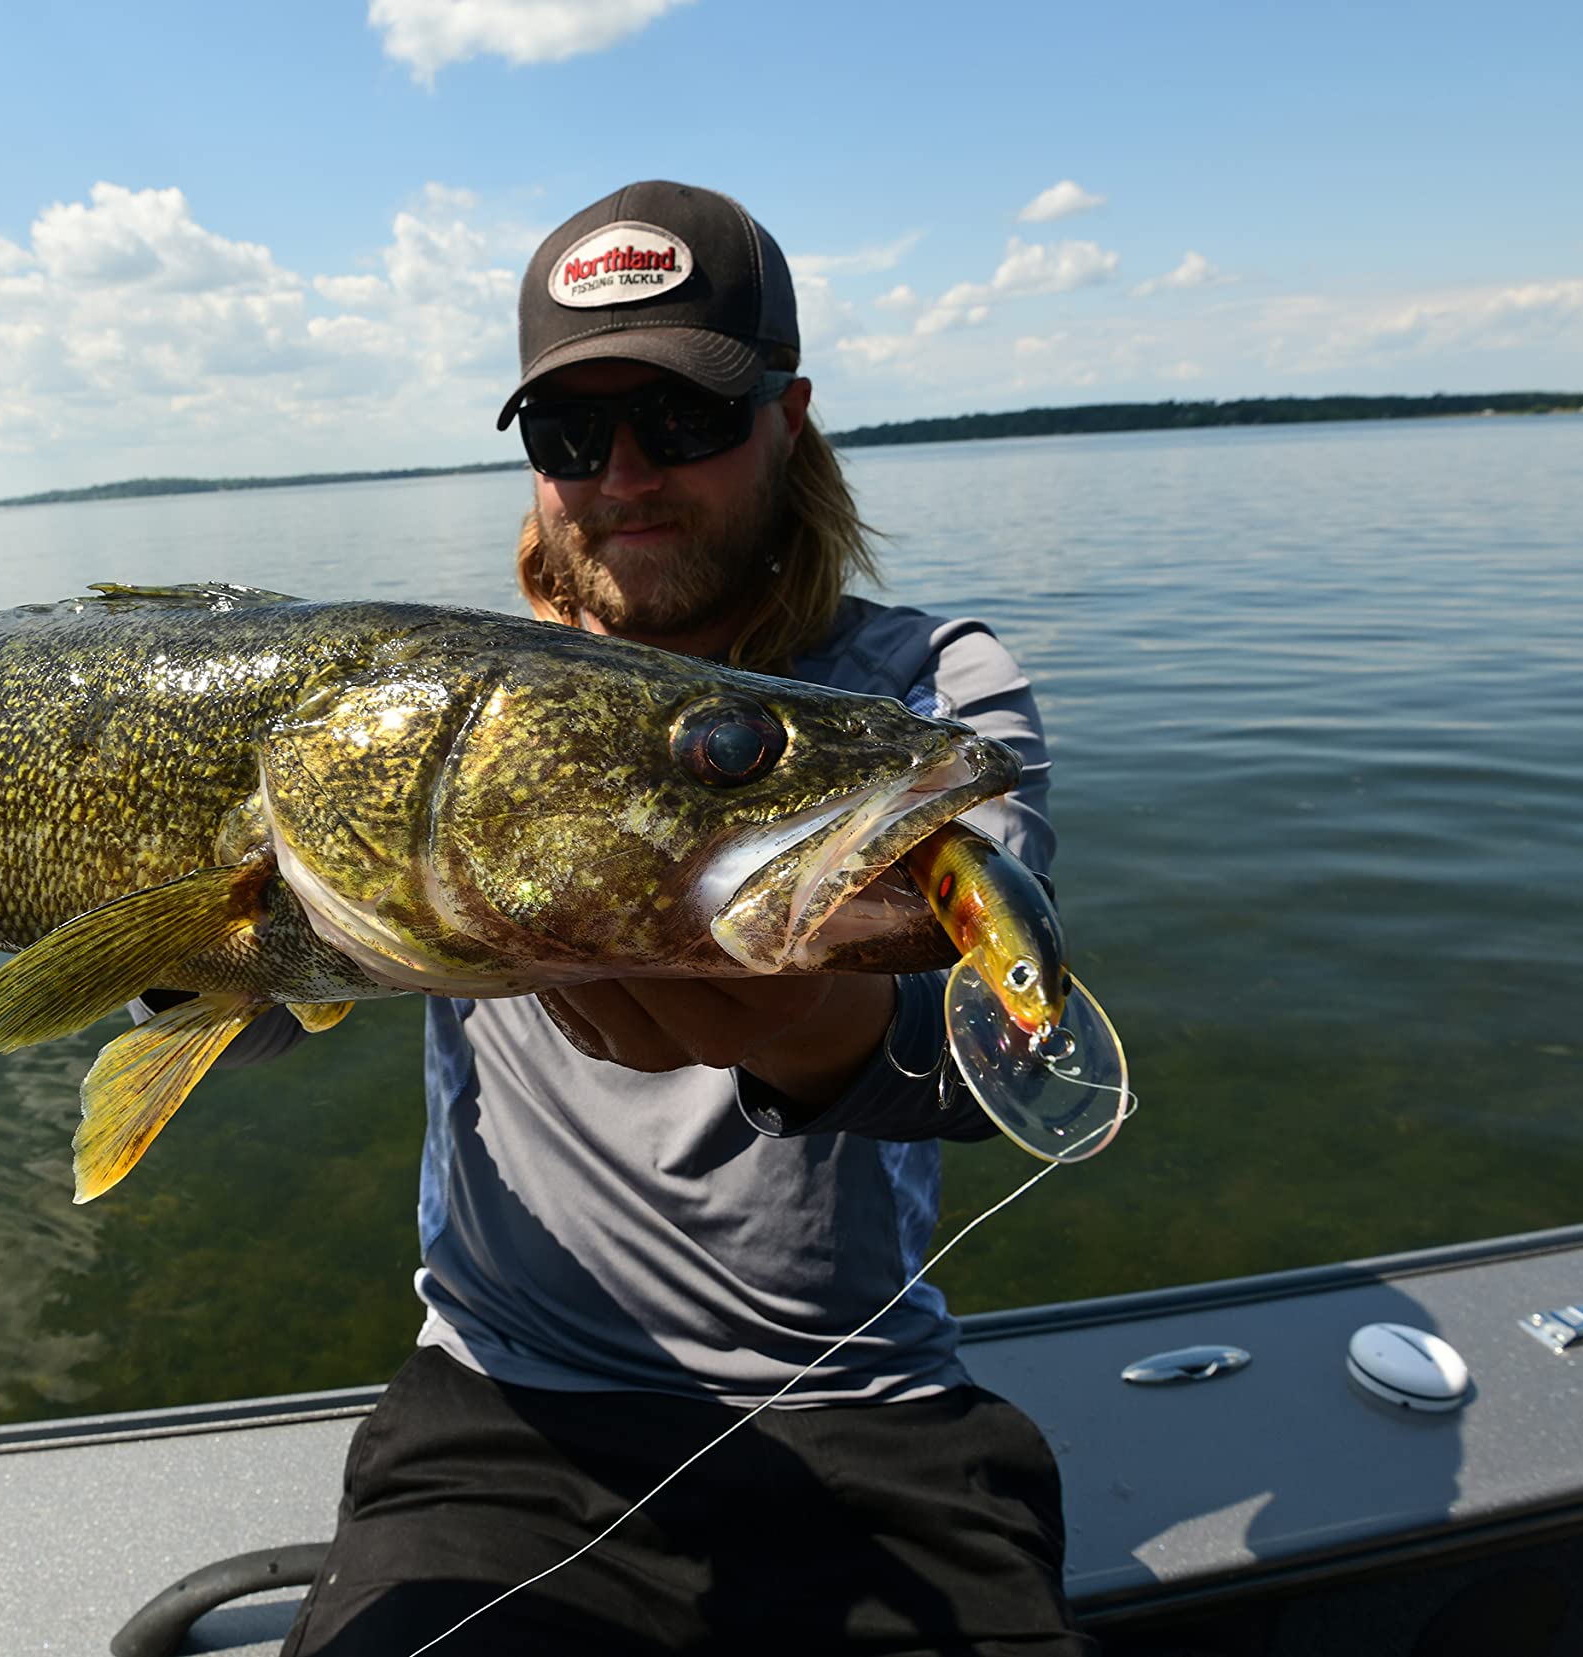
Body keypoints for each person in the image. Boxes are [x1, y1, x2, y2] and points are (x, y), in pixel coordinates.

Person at [272, 180, 1090, 1656]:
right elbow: (260, 999)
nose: (628, 474)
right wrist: (165, 950)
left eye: (684, 418)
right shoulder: (436, 718)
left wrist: (805, 1024)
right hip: (503, 1417)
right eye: (571, 436)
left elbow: (995, 1057)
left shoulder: (925, 704)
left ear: (792, 417)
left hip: (865, 1409)